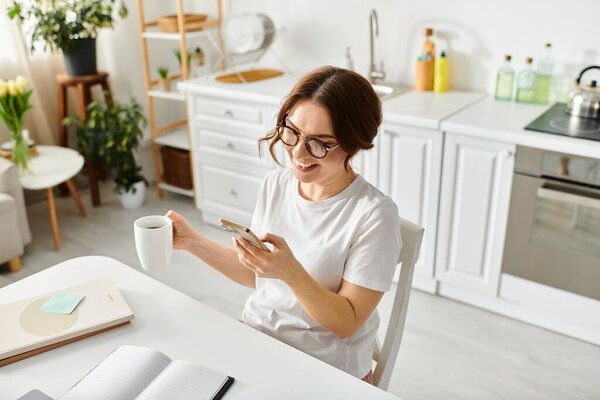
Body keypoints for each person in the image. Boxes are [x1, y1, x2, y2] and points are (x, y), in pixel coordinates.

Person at [166, 66, 402, 384]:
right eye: (292, 132)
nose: (298, 152)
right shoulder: (276, 185)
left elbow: (347, 322)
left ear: (354, 145)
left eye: (320, 143)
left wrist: (290, 271)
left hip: (325, 368)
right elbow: (255, 274)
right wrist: (191, 241)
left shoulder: (374, 215)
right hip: (259, 338)